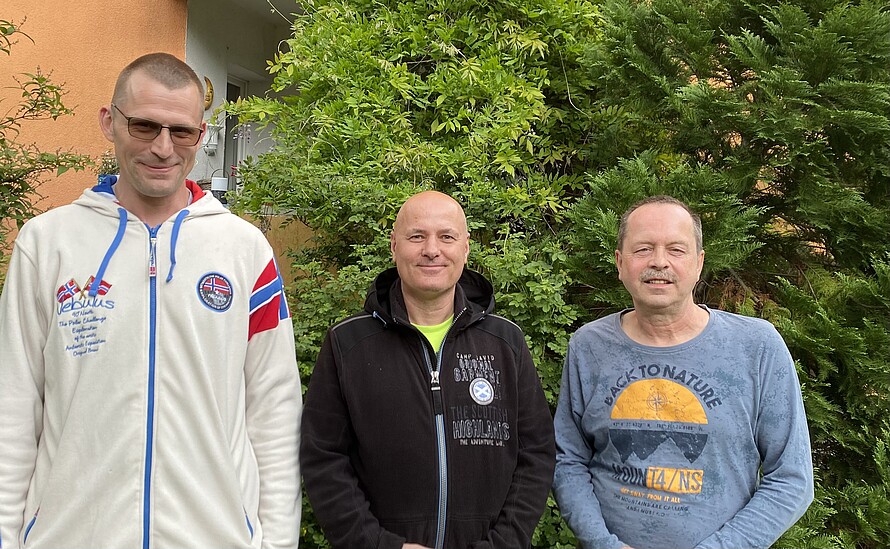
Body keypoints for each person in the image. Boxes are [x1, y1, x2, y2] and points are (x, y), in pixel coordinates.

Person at [0, 53, 301, 549]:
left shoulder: (244, 250)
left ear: (201, 135)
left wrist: (276, 542)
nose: (163, 148)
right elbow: (13, 406)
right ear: (109, 122)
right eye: (144, 126)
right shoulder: (47, 243)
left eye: (180, 132)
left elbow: (274, 411)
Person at [553, 195, 814, 549]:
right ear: (620, 262)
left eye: (676, 249)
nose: (659, 262)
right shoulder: (589, 346)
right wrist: (602, 543)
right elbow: (567, 459)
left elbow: (792, 479)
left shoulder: (757, 347)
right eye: (643, 249)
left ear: (698, 263)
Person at [300, 190, 555, 549]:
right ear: (394, 246)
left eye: (446, 237)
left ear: (466, 248)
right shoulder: (348, 343)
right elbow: (323, 457)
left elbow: (537, 453)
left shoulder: (505, 343)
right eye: (417, 236)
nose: (432, 250)